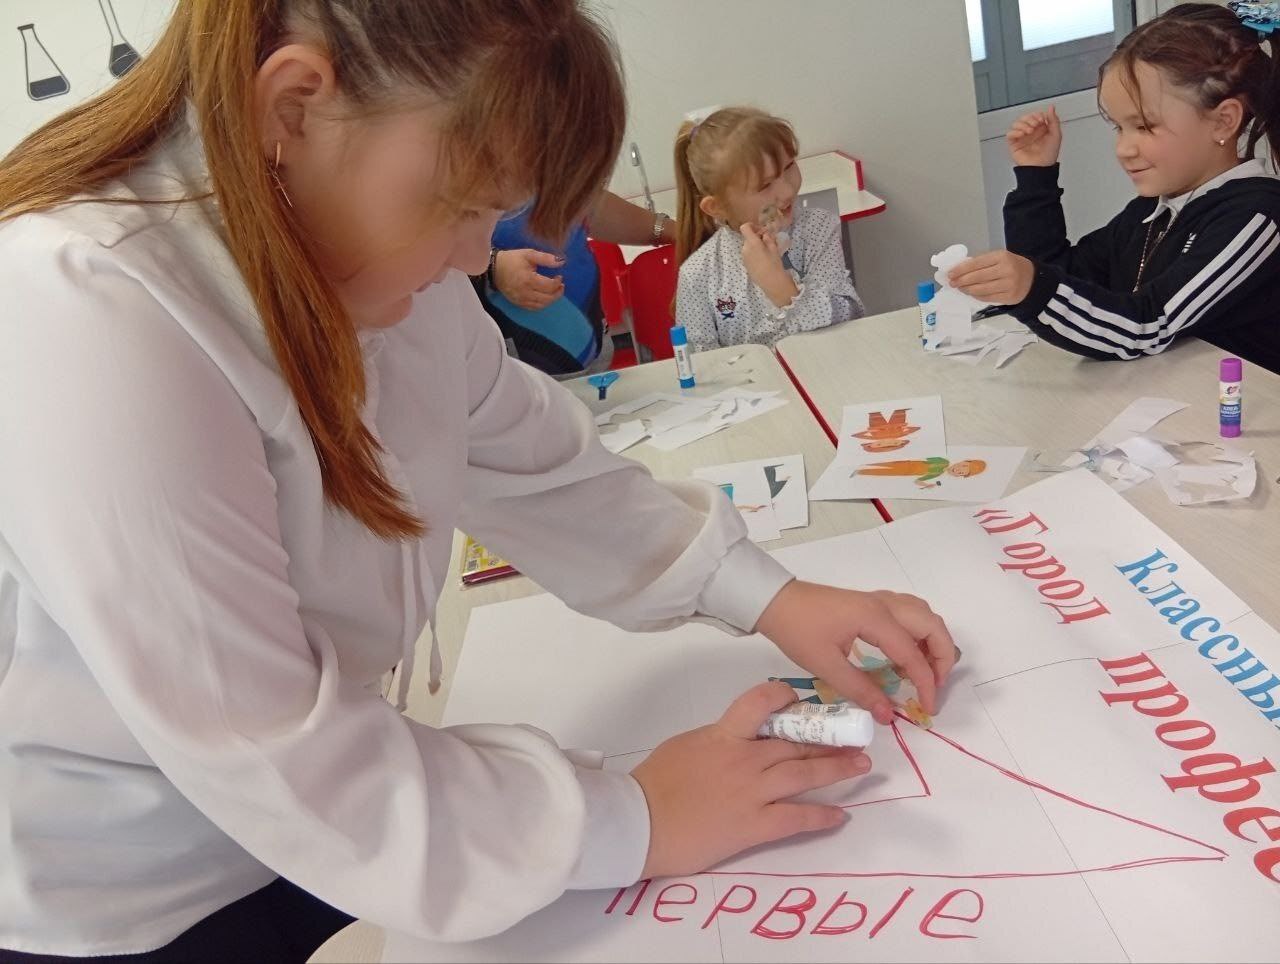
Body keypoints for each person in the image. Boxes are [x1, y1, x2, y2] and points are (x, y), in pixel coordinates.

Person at [0, 1, 956, 959]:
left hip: (345, 816)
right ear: (293, 109)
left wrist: (769, 595)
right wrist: (631, 819)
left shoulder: (363, 250)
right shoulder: (86, 311)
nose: (473, 257)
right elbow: (266, 742)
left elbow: (542, 468)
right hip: (137, 898)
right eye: (461, 206)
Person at [949, 3, 1280, 374]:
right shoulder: (1152, 210)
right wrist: (1035, 177)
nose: (1124, 148)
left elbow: (1147, 326)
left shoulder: (1256, 218)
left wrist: (1031, 288)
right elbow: (1063, 273)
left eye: (1144, 126)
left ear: (1223, 122)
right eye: (1119, 128)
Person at [672, 106, 865, 353]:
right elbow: (699, 364)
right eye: (764, 186)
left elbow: (849, 319)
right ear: (717, 207)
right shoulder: (697, 273)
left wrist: (781, 288)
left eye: (789, 166)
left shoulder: (817, 228)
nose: (787, 191)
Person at [477, 190, 676, 376]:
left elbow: (581, 199)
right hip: (518, 367)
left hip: (588, 348)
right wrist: (494, 265)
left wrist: (669, 229)